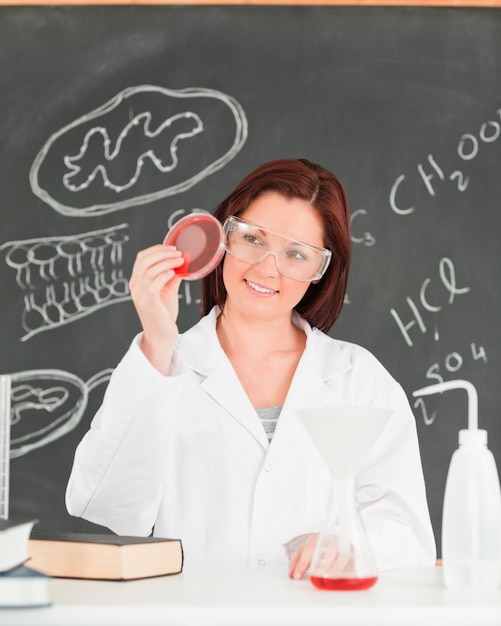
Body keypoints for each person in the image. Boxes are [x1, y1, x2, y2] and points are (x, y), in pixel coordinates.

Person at [66, 158, 436, 578]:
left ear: (320, 272)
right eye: (254, 239)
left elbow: (408, 536)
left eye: (296, 253)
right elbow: (103, 504)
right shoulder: (165, 365)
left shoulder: (359, 381)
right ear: (223, 239)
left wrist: (347, 543)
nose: (267, 268)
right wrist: (157, 341)